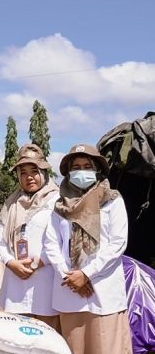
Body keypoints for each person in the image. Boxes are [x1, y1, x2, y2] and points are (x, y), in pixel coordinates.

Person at [44, 144, 132, 354]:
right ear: (68, 171)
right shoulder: (59, 206)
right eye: (76, 167)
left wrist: (86, 274)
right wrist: (71, 277)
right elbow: (51, 243)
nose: (82, 171)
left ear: (97, 170)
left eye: (87, 166)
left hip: (103, 292)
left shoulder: (112, 200)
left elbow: (117, 242)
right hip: (70, 292)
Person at [0, 144, 60, 330]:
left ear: (44, 172)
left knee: (47, 339)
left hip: (46, 281)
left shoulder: (57, 201)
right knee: (17, 339)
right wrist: (10, 262)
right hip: (15, 283)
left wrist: (39, 261)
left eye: (34, 171)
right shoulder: (12, 203)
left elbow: (63, 239)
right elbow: (0, 238)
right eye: (23, 172)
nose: (29, 177)